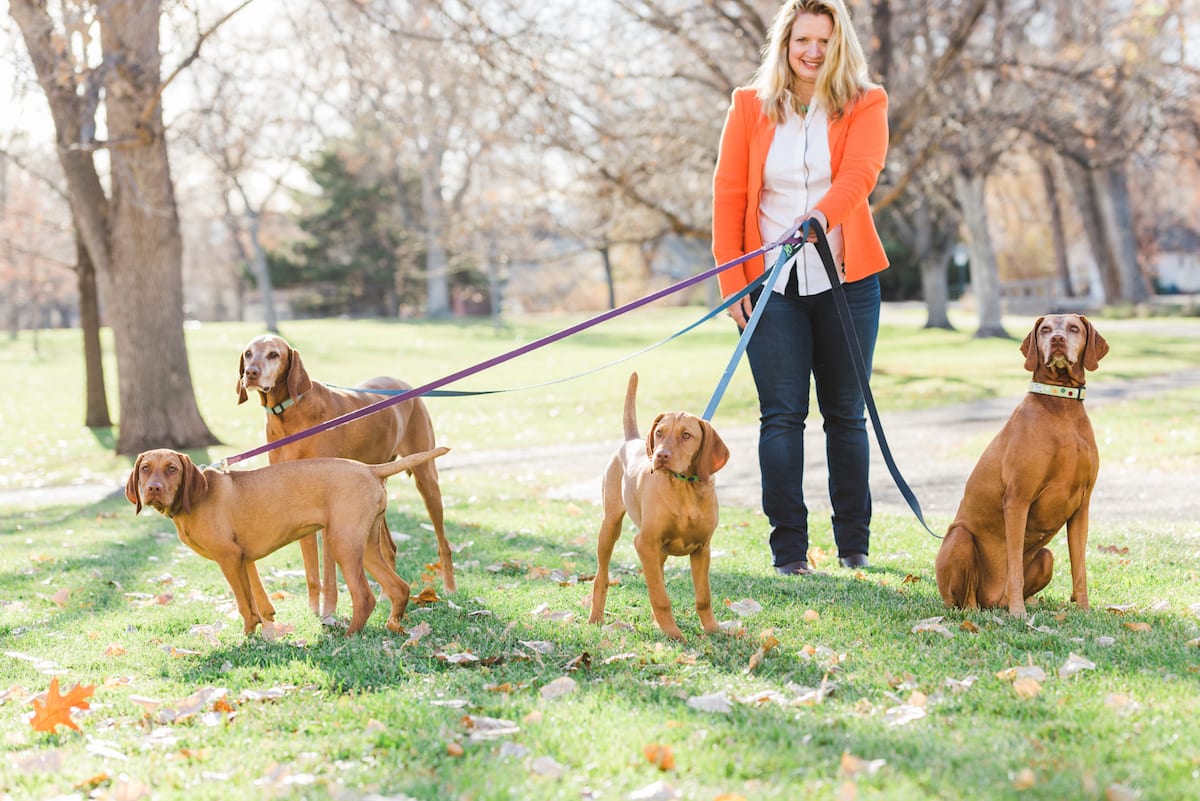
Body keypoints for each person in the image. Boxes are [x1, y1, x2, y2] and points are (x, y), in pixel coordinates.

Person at [711, 0, 889, 575]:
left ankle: (853, 547)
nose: (812, 52)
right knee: (782, 416)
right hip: (771, 286)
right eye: (801, 40)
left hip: (846, 282)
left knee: (845, 414)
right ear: (784, 44)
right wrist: (732, 282)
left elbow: (862, 174)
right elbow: (729, 196)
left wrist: (819, 218)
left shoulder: (866, 103)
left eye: (824, 40)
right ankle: (789, 552)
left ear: (842, 45)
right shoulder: (749, 107)